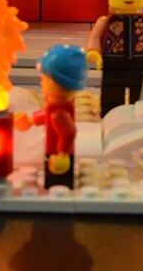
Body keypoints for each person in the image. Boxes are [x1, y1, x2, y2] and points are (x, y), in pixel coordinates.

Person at [87, 0, 143, 117]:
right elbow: (95, 38)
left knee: (141, 95)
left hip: (141, 62)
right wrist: (94, 51)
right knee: (112, 93)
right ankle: (112, 115)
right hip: (113, 62)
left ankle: (140, 115)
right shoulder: (106, 21)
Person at [14, 44, 88, 188]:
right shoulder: (59, 106)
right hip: (56, 153)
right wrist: (30, 120)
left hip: (57, 155)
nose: (41, 83)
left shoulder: (60, 112)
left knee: (57, 183)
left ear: (56, 81)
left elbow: (68, 132)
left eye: (43, 79)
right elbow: (48, 115)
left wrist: (62, 153)